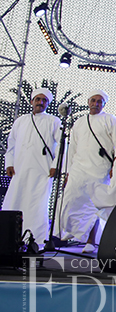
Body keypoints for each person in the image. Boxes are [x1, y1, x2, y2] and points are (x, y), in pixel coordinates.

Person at [57, 90, 116, 253]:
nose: (96, 104)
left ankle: (90, 241)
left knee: (93, 205)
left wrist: (115, 166)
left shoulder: (110, 120)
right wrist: (68, 172)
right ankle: (72, 229)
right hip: (78, 167)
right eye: (93, 100)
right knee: (70, 198)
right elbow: (73, 148)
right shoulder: (79, 122)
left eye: (99, 101)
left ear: (104, 104)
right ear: (88, 102)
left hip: (100, 168)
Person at [2, 88, 60, 246]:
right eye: (38, 99)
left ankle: (36, 241)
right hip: (20, 170)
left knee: (37, 206)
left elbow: (61, 145)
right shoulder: (20, 121)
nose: (40, 102)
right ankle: (9, 239)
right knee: (14, 201)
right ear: (31, 101)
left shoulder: (53, 121)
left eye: (44, 100)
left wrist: (55, 165)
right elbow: (11, 144)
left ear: (48, 103)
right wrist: (9, 163)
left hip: (42, 172)